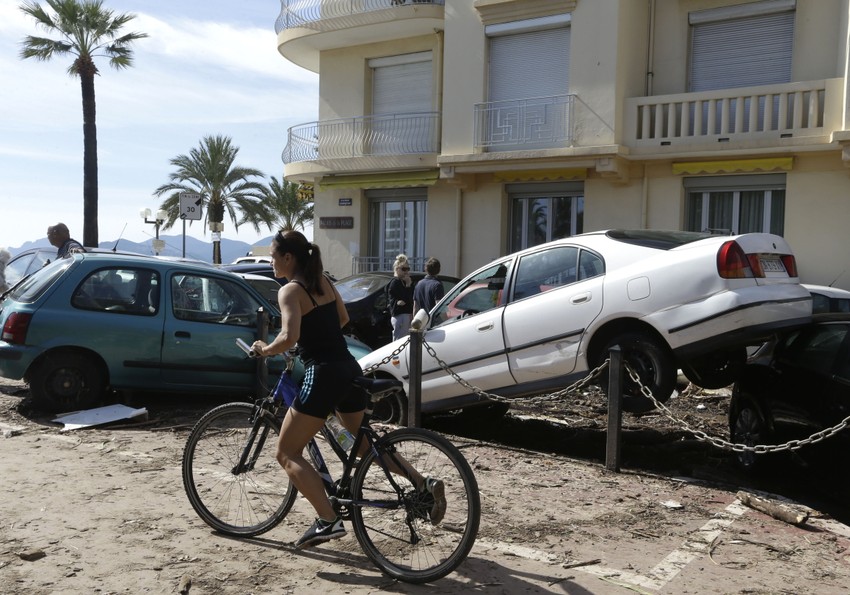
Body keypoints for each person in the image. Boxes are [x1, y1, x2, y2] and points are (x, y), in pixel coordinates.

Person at [251, 231, 444, 549]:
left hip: (322, 374)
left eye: (273, 256)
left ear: (288, 258)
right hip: (348, 368)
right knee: (367, 446)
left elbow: (288, 336)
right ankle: (422, 483)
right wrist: (317, 336)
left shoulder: (290, 291)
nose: (271, 262)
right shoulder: (323, 282)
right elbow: (341, 318)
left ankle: (328, 520)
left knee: (286, 452)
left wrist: (266, 349)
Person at [387, 254, 414, 340]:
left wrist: (409, 284)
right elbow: (405, 298)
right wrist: (408, 285)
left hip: (407, 315)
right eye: (403, 269)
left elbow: (411, 298)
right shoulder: (395, 282)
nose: (406, 271)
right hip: (400, 316)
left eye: (408, 269)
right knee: (399, 342)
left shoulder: (406, 281)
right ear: (397, 269)